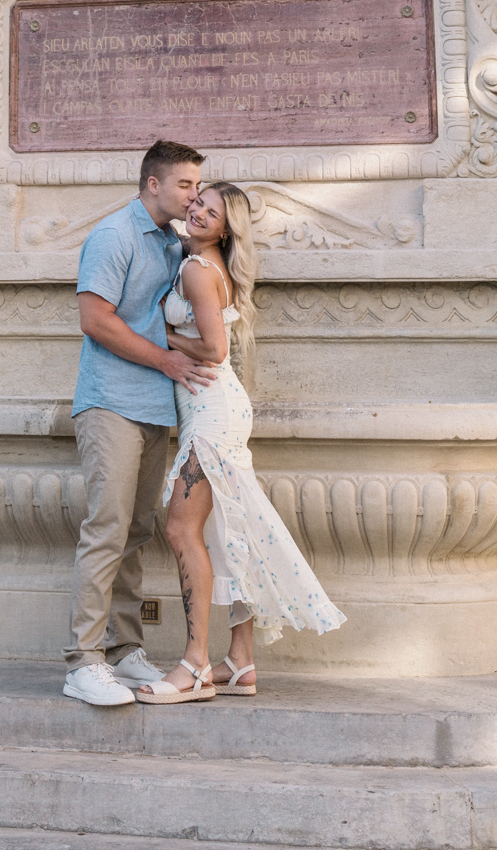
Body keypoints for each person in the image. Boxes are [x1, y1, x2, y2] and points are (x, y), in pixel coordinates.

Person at [135, 180, 345, 704]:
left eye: (212, 211)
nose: (200, 213)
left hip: (211, 414)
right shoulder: (201, 263)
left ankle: (193, 665)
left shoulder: (197, 271)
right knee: (230, 534)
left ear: (228, 227)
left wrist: (160, 339)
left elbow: (213, 348)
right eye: (198, 204)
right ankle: (240, 661)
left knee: (183, 530)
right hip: (217, 410)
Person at [64, 139, 216, 708]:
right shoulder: (113, 236)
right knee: (106, 529)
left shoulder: (176, 245)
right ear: (152, 184)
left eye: (198, 187)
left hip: (157, 406)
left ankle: (125, 650)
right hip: (110, 403)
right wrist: (167, 359)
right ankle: (83, 661)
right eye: (184, 185)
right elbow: (94, 320)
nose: (193, 196)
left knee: (135, 533)